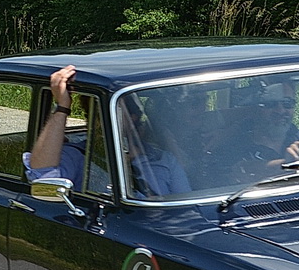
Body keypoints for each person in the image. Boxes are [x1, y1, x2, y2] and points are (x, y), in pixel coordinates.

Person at [26, 65, 190, 199]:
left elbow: (188, 208)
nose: (99, 124)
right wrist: (62, 107)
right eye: (97, 116)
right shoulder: (79, 155)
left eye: (128, 115)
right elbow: (43, 174)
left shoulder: (162, 159)